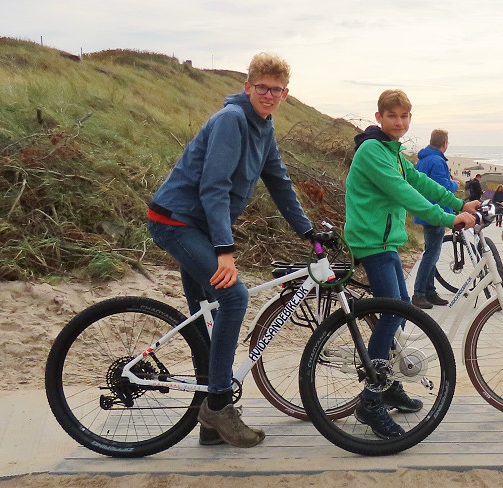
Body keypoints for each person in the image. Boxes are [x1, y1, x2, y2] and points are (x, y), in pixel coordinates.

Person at [146, 52, 312, 448]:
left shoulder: (264, 127)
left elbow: (280, 183)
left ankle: (208, 419)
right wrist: (225, 250)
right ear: (247, 87)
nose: (269, 95)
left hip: (198, 226)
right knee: (235, 298)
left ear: (285, 94)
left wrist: (309, 233)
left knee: (208, 317)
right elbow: (214, 187)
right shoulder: (232, 121)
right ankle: (219, 405)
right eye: (262, 88)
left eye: (277, 90)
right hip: (177, 222)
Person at [344, 89, 477, 438]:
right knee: (394, 312)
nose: (399, 122)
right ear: (379, 118)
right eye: (392, 116)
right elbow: (405, 194)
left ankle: (386, 387)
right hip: (371, 243)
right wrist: (449, 219)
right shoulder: (373, 151)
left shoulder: (393, 152)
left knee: (398, 311)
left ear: (410, 118)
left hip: (385, 242)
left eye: (404, 116)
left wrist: (459, 203)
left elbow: (420, 181)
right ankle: (371, 401)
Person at [411, 129, 458, 309]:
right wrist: (455, 184)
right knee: (431, 255)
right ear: (444, 144)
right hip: (435, 212)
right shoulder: (437, 161)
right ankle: (419, 293)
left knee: (431, 251)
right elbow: (442, 187)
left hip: (425, 210)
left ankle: (429, 291)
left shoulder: (423, 160)